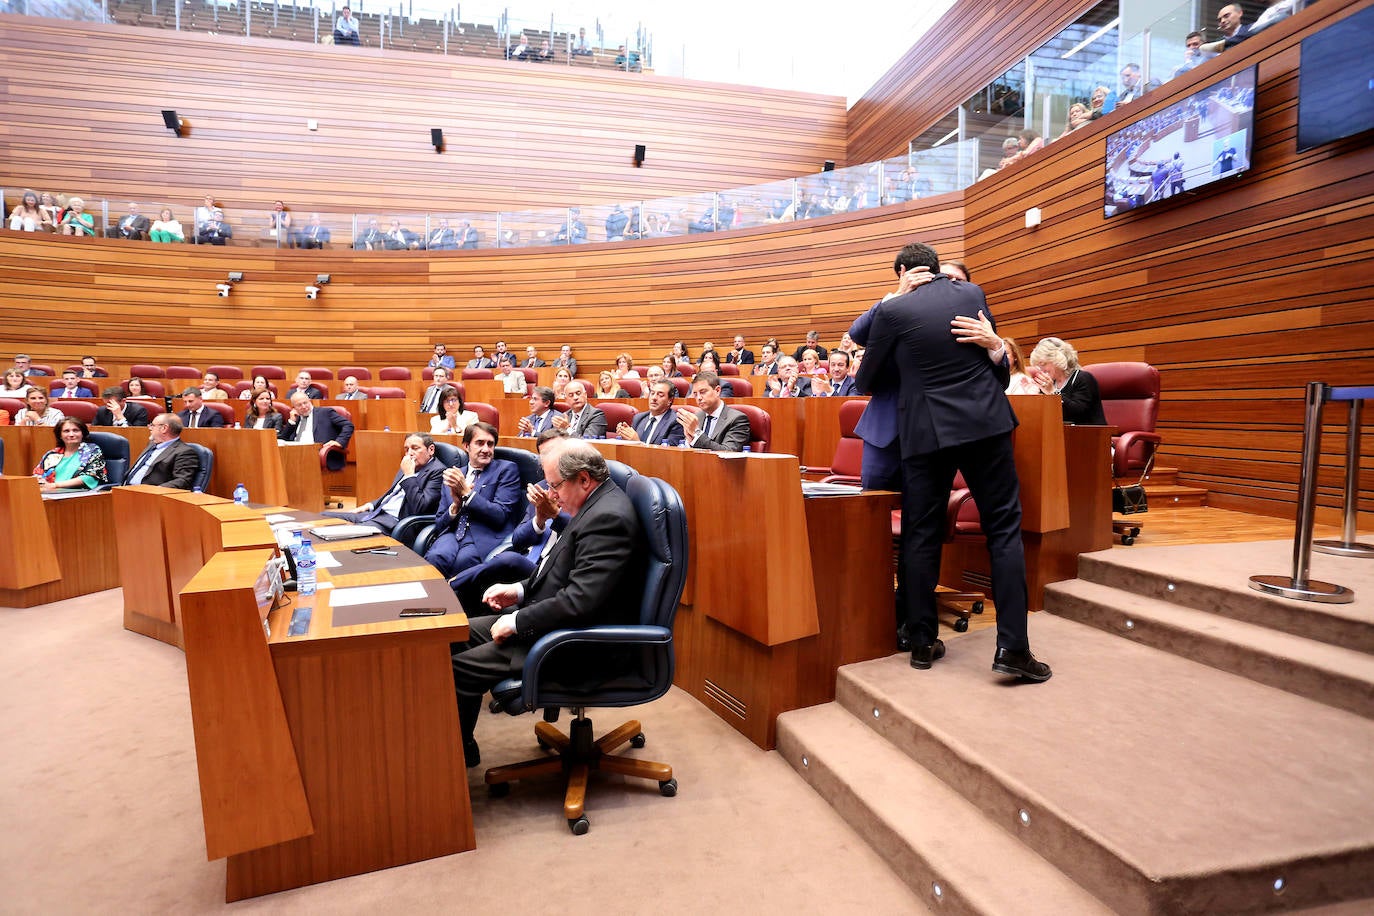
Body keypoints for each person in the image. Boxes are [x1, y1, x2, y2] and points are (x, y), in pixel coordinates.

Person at [854, 240, 1050, 683]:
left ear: (903, 272)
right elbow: (998, 372)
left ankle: (921, 641)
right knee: (1003, 531)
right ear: (940, 269)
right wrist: (998, 347)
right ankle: (1012, 650)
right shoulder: (972, 294)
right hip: (985, 425)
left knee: (921, 534)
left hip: (924, 433)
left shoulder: (892, 312)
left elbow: (865, 379)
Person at [451, 441, 647, 766]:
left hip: (575, 644)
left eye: (555, 485)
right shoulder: (593, 505)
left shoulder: (608, 518)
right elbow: (557, 574)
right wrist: (518, 591)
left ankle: (452, 763)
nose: (551, 494)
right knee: (452, 636)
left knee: (455, 671)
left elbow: (580, 602)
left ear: (584, 479)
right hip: (551, 623)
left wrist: (516, 622)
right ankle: (463, 746)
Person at [424, 422, 522, 580]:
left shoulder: (506, 470)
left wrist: (467, 494)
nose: (486, 449)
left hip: (484, 535)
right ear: (466, 446)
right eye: (480, 443)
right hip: (452, 534)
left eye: (490, 444)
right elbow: (439, 523)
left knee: (463, 563)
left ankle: (456, 604)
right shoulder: (454, 475)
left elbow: (500, 515)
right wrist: (455, 506)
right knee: (436, 557)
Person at [325, 434, 445, 533]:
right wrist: (368, 506)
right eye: (406, 449)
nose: (409, 453)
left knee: (349, 533)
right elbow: (392, 494)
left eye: (415, 448)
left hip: (396, 522)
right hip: (377, 513)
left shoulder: (438, 471)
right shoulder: (409, 464)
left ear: (431, 449)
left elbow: (421, 507)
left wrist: (409, 475)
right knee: (323, 516)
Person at [1028, 337, 1106, 425]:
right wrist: (1030, 393)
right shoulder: (1049, 384)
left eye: (1043, 364)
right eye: (1038, 366)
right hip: (1060, 434)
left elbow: (1076, 413)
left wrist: (1053, 393)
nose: (1041, 370)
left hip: (1091, 435)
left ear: (1058, 359)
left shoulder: (1083, 378)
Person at [278, 391, 355, 469]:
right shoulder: (296, 419)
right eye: (299, 405)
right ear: (294, 407)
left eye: (305, 403)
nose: (304, 406)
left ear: (309, 400)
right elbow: (283, 440)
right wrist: (291, 422)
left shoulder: (325, 413)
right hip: (295, 455)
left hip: (316, 455)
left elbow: (348, 425)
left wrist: (339, 442)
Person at [677, 371, 749, 451]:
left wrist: (696, 432)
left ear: (717, 391)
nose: (699, 398)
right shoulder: (697, 416)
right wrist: (689, 439)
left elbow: (728, 452)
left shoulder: (737, 419)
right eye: (695, 394)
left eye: (703, 392)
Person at [33, 418, 108, 491]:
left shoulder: (92, 451)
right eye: (66, 431)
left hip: (76, 493)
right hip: (48, 492)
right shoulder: (52, 454)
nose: (71, 434)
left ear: (82, 433)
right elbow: (37, 474)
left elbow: (90, 477)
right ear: (60, 435)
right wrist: (41, 482)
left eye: (75, 430)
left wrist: (55, 485)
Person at [127, 414, 199, 489]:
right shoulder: (151, 444)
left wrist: (157, 490)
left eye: (152, 425)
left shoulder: (184, 452)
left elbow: (182, 480)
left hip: (149, 495)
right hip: (125, 489)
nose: (149, 428)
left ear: (164, 428)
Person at [618, 379, 685, 446]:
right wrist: (625, 436)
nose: (654, 398)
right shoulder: (639, 418)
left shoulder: (676, 422)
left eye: (660, 395)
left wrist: (638, 443)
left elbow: (670, 454)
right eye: (652, 393)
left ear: (670, 400)